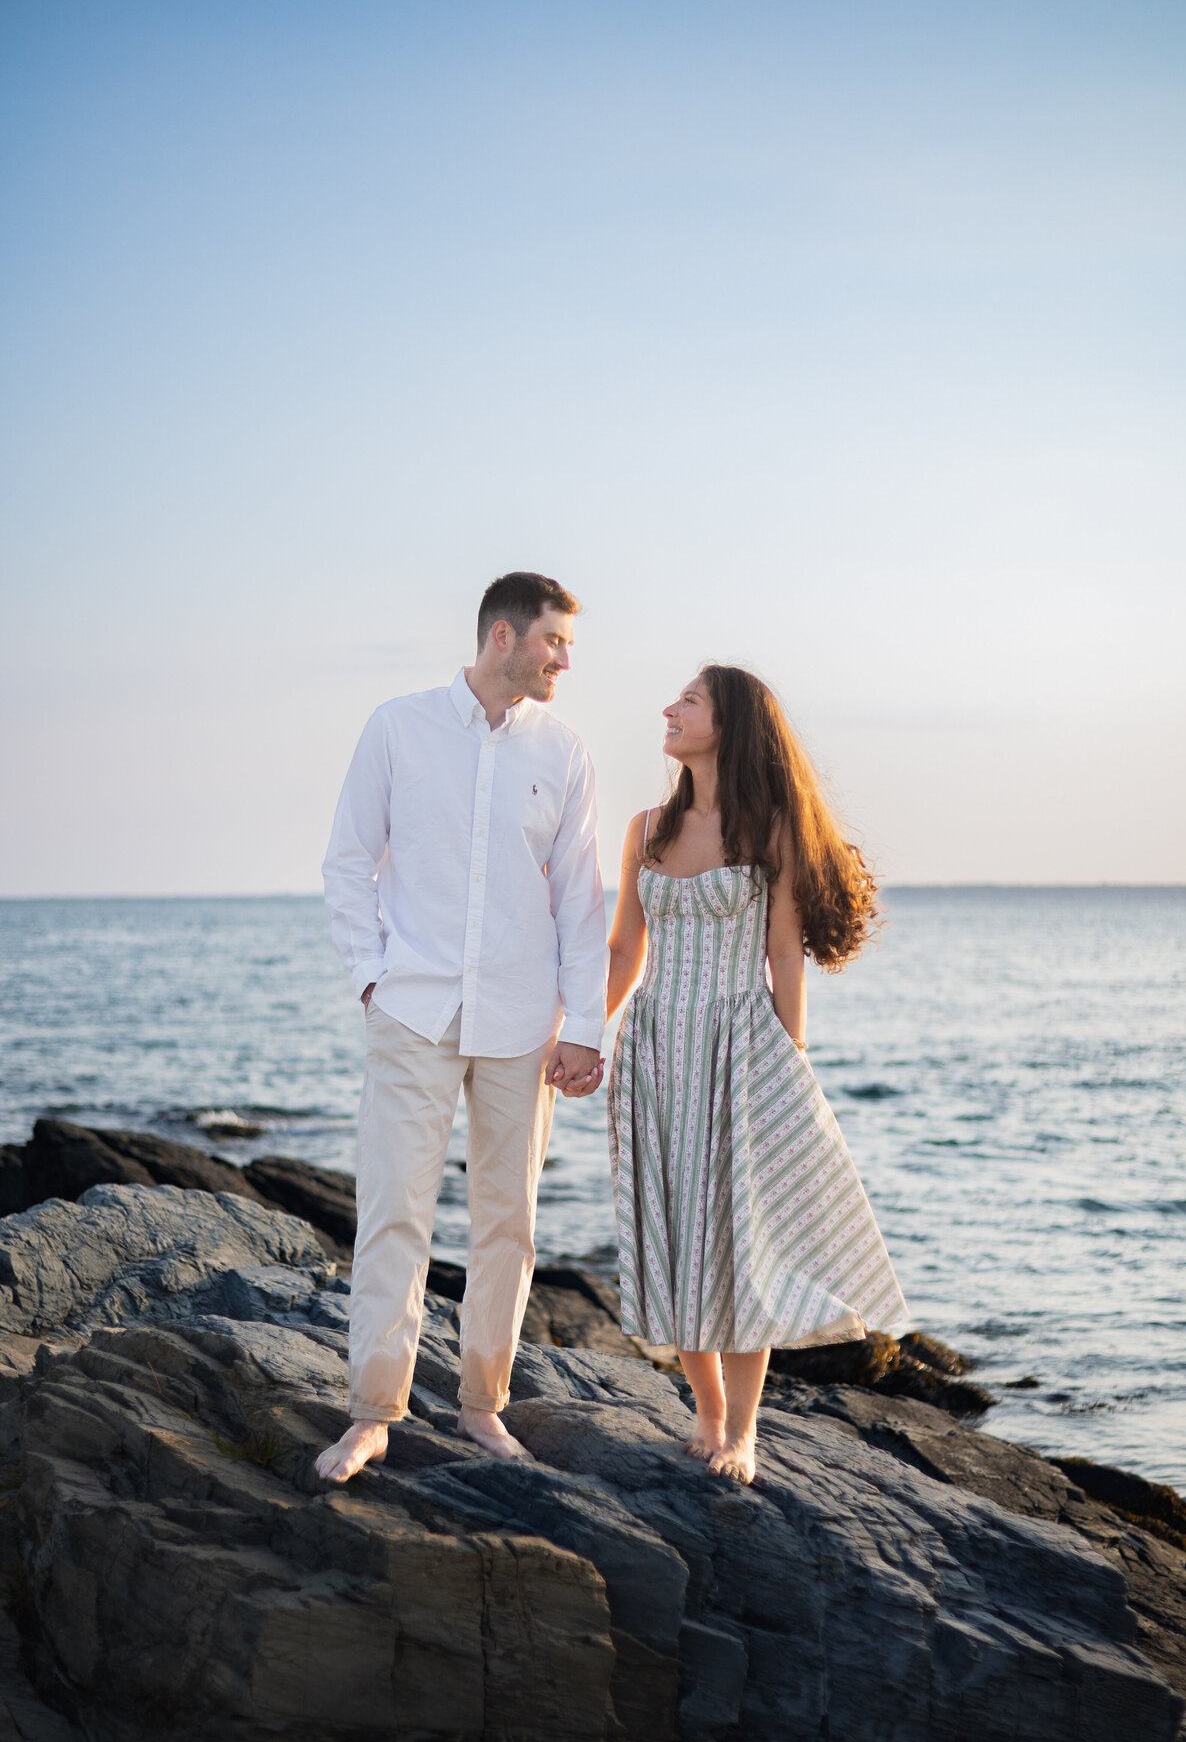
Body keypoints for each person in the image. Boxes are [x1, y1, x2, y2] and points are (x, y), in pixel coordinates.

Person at [316, 572, 608, 1483]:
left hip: (523, 1020)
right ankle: (373, 1414)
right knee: (394, 1209)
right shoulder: (397, 727)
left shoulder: (565, 752)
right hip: (413, 1009)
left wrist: (586, 1024)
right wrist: (370, 978)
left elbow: (581, 901)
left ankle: (483, 1405)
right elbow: (349, 860)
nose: (565, 660)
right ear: (503, 636)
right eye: (555, 641)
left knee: (507, 1223)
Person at [605, 665, 907, 1485]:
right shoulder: (645, 830)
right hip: (655, 1045)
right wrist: (585, 1037)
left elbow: (783, 954)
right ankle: (706, 1413)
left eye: (689, 701)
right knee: (673, 1233)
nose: (669, 709)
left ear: (729, 724)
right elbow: (626, 948)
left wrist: (790, 1059)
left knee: (738, 1243)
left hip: (739, 1049)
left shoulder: (770, 832)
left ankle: (741, 1432)